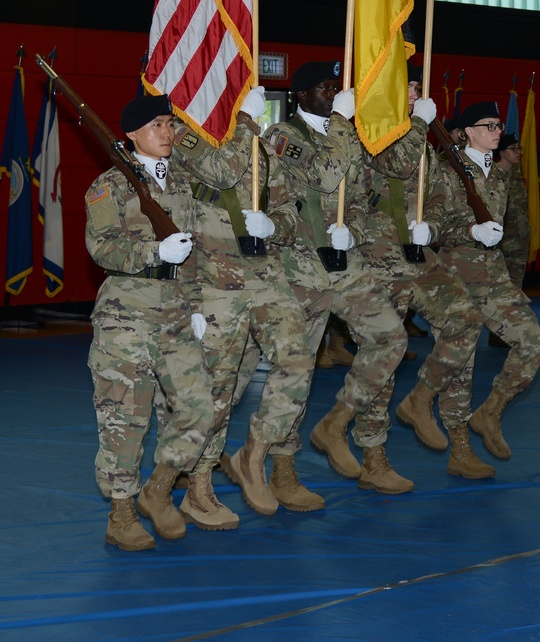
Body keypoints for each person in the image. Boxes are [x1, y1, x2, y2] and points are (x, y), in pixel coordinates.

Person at [260, 62, 415, 497]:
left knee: (389, 338)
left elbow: (366, 202)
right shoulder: (282, 138)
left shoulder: (347, 137)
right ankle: (284, 468)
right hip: (301, 269)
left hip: (347, 265)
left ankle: (345, 428)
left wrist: (357, 232)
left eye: (336, 87)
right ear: (301, 95)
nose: (333, 94)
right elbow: (325, 174)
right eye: (326, 88)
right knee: (297, 368)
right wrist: (344, 124)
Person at [170, 92, 317, 523]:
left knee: (298, 360)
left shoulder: (257, 138)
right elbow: (222, 169)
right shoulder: (184, 132)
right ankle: (197, 486)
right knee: (216, 388)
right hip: (214, 278)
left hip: (266, 274)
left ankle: (255, 452)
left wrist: (275, 225)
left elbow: (289, 206)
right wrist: (245, 122)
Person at [84, 94, 213, 551]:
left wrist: (196, 305)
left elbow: (193, 252)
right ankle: (121, 513)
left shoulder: (181, 183)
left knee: (201, 408)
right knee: (126, 417)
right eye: (158, 125)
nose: (168, 133)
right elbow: (102, 248)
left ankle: (157, 488)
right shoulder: (110, 186)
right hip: (127, 316)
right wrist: (152, 253)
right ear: (132, 134)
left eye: (171, 124)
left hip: (176, 313)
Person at [355, 66, 488, 482]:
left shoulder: (423, 140)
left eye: (417, 87)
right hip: (378, 260)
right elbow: (395, 163)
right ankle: (373, 457)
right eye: (411, 85)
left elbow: (436, 198)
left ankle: (447, 425)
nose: (417, 93)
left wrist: (435, 224)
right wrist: (418, 123)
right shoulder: (368, 130)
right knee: (383, 354)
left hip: (418, 258)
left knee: (464, 321)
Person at [425, 101, 540, 465]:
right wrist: (470, 230)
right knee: (459, 369)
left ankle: (490, 412)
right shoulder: (446, 172)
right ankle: (460, 448)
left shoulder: (500, 175)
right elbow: (430, 226)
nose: (498, 131)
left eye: (498, 125)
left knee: (532, 344)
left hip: (493, 277)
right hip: (453, 279)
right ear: (468, 132)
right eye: (490, 125)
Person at [496, 133, 530, 287]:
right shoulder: (493, 175)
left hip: (520, 235)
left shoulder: (516, 175)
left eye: (519, 148)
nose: (518, 152)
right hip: (502, 238)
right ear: (502, 152)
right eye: (513, 149)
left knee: (517, 279)